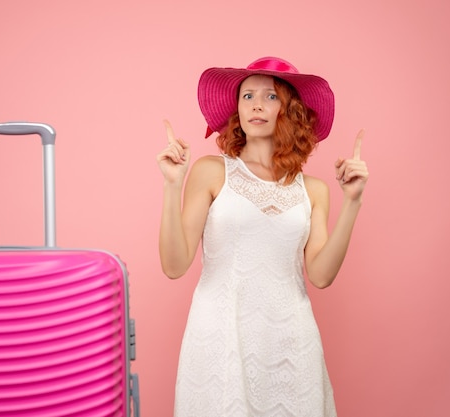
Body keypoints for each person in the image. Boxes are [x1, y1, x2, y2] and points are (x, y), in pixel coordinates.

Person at [156, 56, 369, 417]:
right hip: (221, 338)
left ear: (291, 110)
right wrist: (172, 186)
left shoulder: (314, 190)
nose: (256, 104)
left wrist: (353, 202)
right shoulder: (210, 171)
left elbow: (320, 276)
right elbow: (174, 266)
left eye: (270, 97)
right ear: (237, 109)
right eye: (247, 95)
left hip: (290, 344)